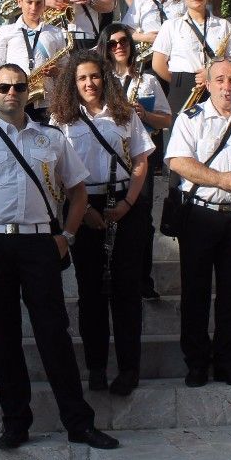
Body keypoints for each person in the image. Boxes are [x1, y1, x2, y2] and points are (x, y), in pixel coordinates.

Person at [0, 63, 119, 451]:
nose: (12, 92)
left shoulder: (52, 138)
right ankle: (15, 423)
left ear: (29, 91)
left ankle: (78, 423)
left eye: (19, 86)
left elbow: (77, 192)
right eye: (4, 87)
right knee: (3, 337)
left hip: (39, 243)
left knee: (54, 335)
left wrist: (67, 236)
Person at [49, 50, 153, 395]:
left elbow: (140, 160)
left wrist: (127, 203)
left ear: (104, 78)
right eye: (81, 78)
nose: (89, 84)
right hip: (83, 204)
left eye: (94, 76)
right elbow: (56, 171)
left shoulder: (124, 115)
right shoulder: (61, 120)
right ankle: (96, 367)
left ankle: (129, 369)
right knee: (90, 289)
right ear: (72, 83)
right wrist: (83, 210)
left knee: (126, 288)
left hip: (124, 203)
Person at [165, 57, 231, 388]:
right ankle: (196, 363)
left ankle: (227, 363)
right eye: (220, 80)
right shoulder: (192, 118)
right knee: (195, 292)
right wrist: (221, 179)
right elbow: (179, 161)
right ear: (207, 84)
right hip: (199, 214)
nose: (227, 86)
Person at [99, 23, 172, 300]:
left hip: (140, 157)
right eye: (113, 43)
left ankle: (143, 278)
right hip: (107, 159)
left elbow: (167, 119)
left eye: (124, 42)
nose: (119, 47)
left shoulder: (149, 81)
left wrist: (145, 115)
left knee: (142, 219)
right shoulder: (98, 81)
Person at [150, 0, 231, 115]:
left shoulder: (224, 25)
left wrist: (211, 73)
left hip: (218, 84)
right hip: (182, 86)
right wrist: (180, 81)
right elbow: (157, 64)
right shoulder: (171, 26)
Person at [0, 0, 69, 123]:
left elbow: (67, 68)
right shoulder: (6, 31)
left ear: (44, 4)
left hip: (45, 102)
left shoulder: (56, 32)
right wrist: (4, 89)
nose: (33, 8)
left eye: (38, 3)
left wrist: (57, 72)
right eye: (29, 2)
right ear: (20, 2)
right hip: (14, 99)